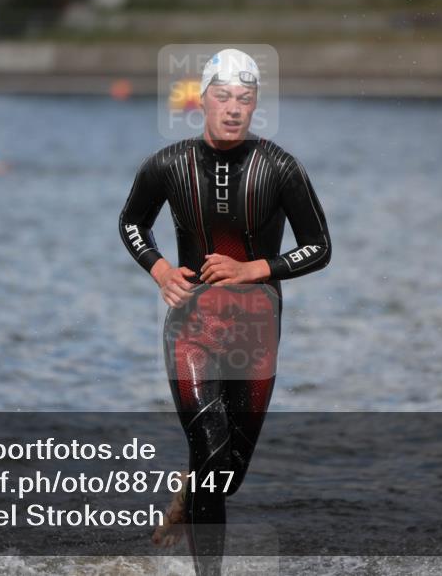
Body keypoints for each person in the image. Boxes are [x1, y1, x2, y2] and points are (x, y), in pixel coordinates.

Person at [118, 48, 331, 575]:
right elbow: (131, 222)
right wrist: (159, 269)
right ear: (202, 99)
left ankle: (186, 494)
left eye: (245, 98)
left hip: (257, 333)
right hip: (191, 328)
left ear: (255, 104)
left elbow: (320, 247)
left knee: (228, 475)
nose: (234, 108)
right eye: (223, 96)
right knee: (211, 455)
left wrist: (253, 268)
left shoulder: (280, 168)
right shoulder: (168, 164)